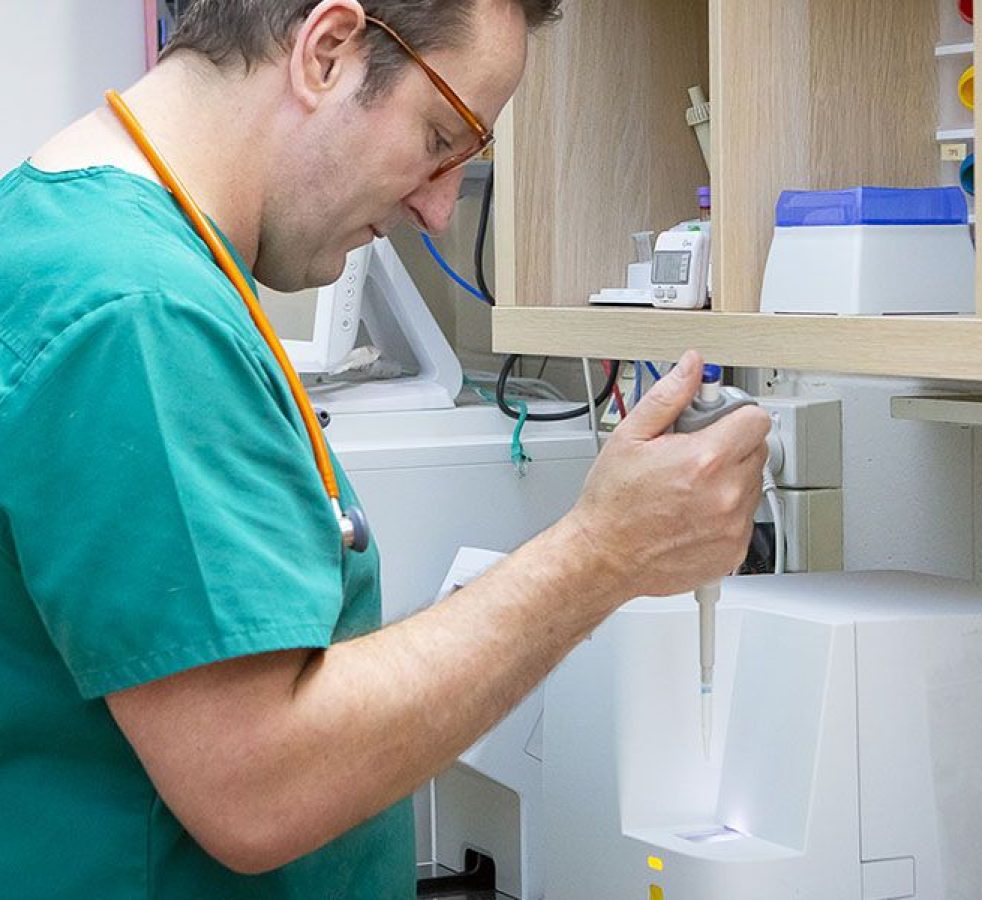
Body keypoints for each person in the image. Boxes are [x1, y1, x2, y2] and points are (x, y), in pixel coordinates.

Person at [0, 0, 771, 897]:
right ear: (327, 50)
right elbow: (260, 786)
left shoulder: (59, 236)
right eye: (440, 137)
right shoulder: (141, 314)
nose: (441, 209)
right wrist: (601, 553)